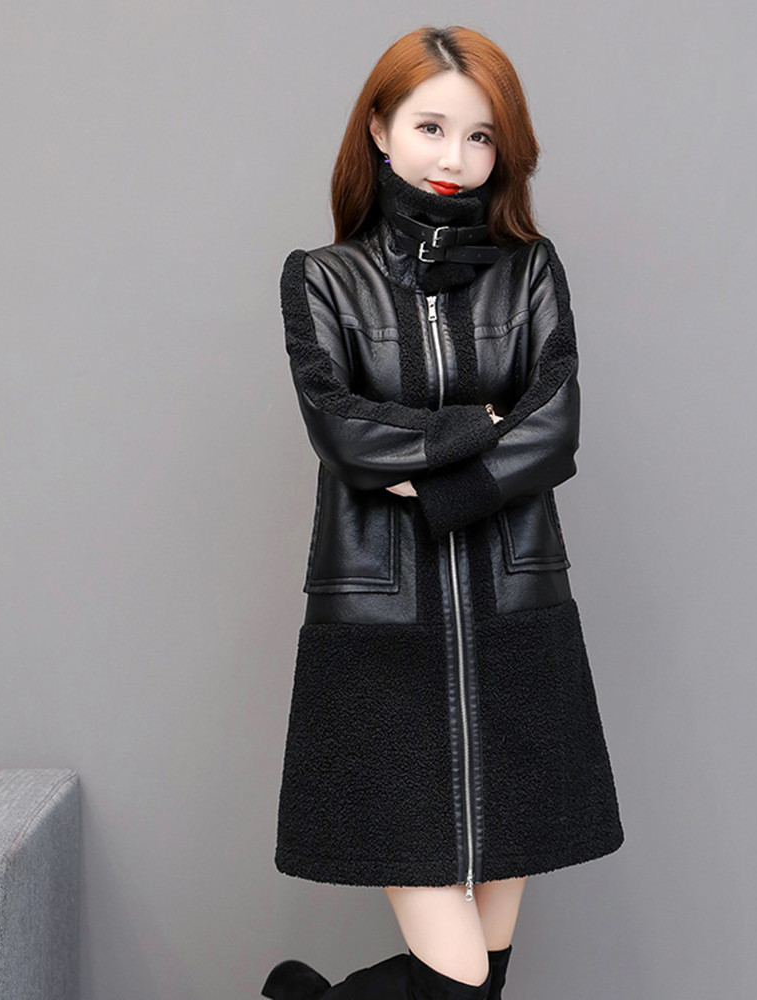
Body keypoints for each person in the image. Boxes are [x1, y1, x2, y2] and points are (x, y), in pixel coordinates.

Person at [263, 24, 624, 1000]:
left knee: (485, 975)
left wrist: (435, 475)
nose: (454, 157)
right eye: (431, 126)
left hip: (517, 630)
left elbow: (555, 432)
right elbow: (345, 433)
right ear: (379, 129)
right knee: (457, 977)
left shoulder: (530, 269)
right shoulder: (322, 279)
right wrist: (487, 422)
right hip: (381, 644)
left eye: (480, 136)